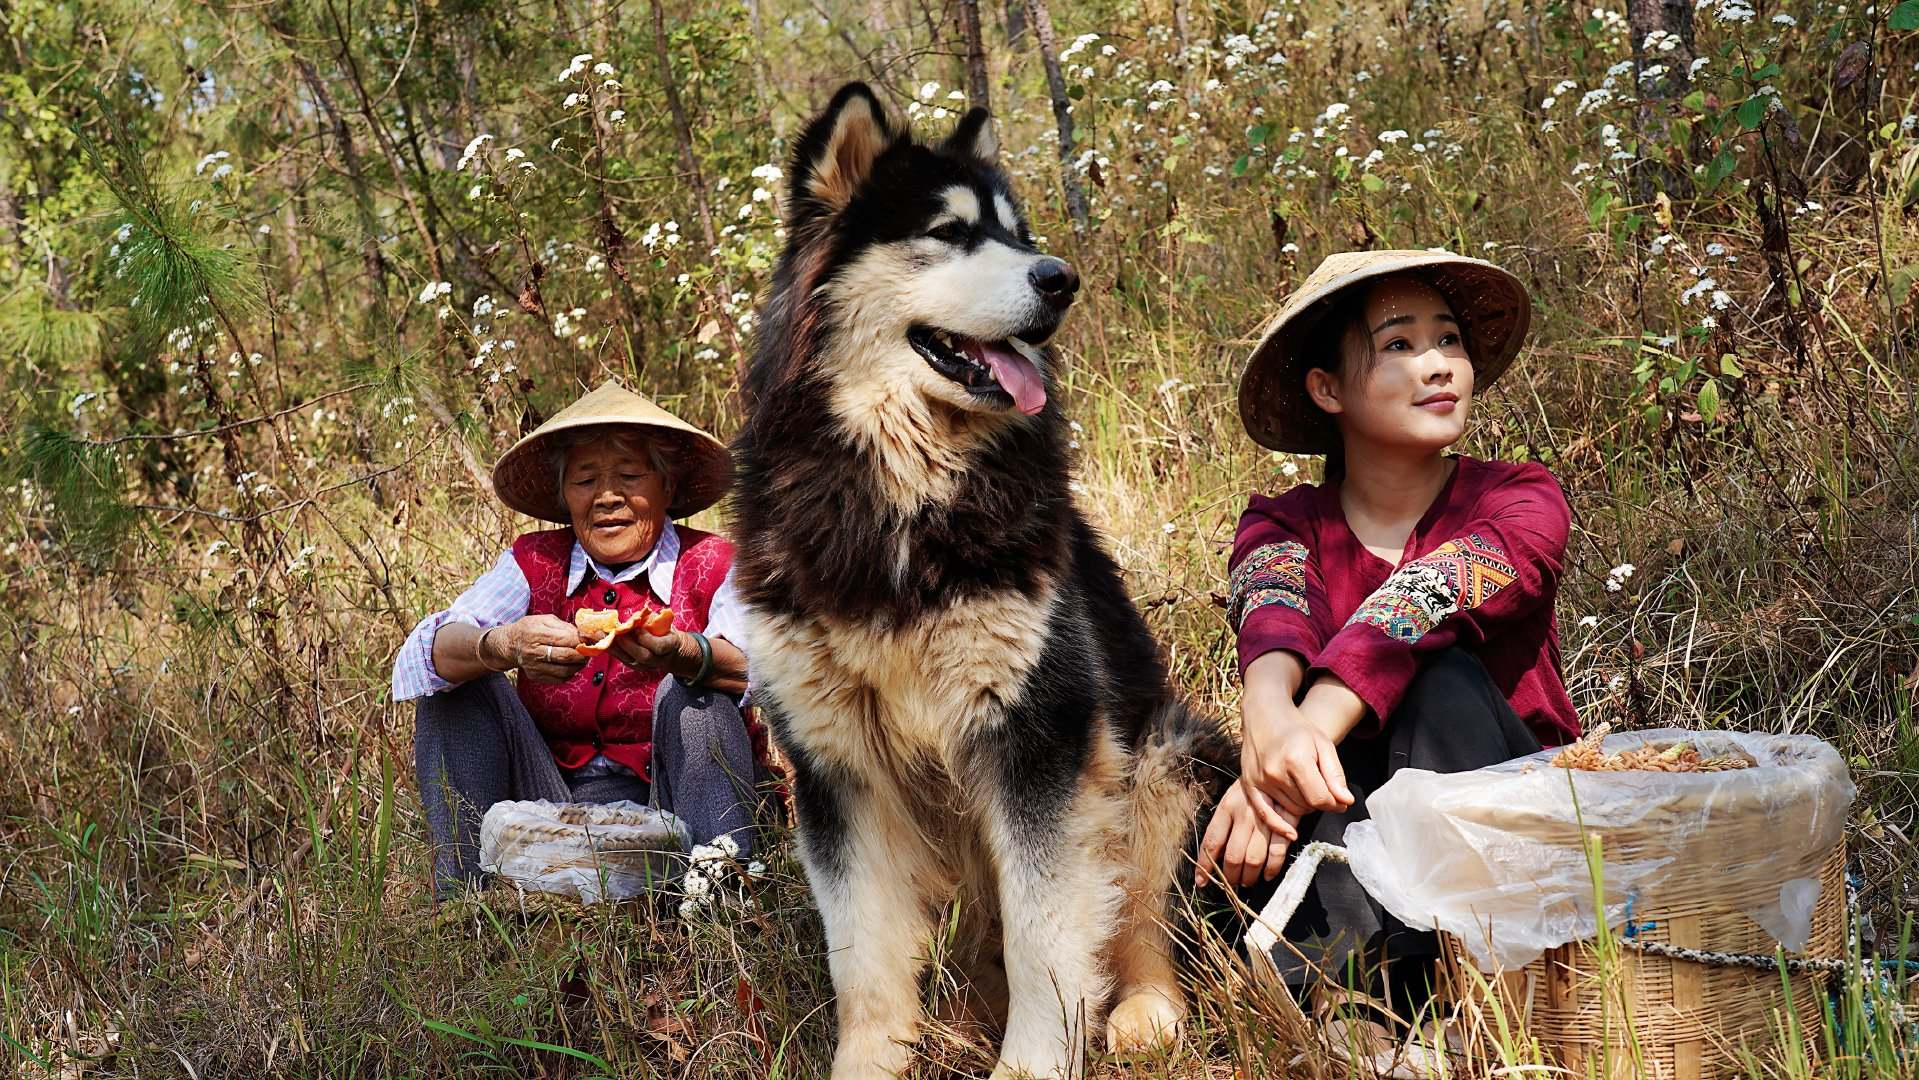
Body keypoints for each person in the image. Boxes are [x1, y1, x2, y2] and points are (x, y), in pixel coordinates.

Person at [1198, 250, 1581, 1040]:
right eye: (1400, 346)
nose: (1439, 366)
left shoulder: (1519, 498)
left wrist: (1294, 749)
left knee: (1433, 680)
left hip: (1506, 834)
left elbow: (1417, 608)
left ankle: (1397, 999)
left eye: (1449, 342)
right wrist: (1267, 726)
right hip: (1346, 818)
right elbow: (1269, 612)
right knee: (1193, 786)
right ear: (1327, 389)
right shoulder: (1282, 521)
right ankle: (1352, 1008)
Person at [393, 381, 764, 898]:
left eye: (630, 477)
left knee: (698, 697)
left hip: (669, 804)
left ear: (668, 488)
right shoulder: (535, 562)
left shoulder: (713, 563)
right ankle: (466, 902)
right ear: (565, 497)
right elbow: (421, 657)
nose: (607, 497)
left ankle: (719, 894)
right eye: (586, 480)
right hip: (548, 808)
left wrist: (683, 652)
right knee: (454, 686)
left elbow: (761, 669)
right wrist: (500, 646)